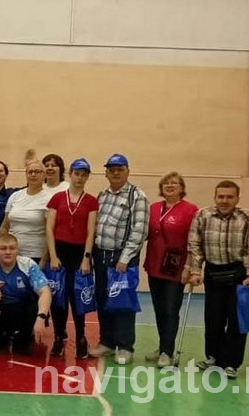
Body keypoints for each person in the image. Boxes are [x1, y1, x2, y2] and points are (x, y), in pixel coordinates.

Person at [187, 180, 249, 379]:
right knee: (213, 319)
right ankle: (213, 357)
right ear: (215, 197)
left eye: (229, 197)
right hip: (213, 272)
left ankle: (231, 363)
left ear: (237, 198)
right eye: (221, 196)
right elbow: (194, 245)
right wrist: (196, 271)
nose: (225, 200)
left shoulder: (248, 217)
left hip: (239, 273)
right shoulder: (202, 215)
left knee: (237, 320)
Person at [89, 154, 148, 364]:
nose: (115, 173)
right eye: (111, 169)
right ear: (106, 173)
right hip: (101, 255)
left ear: (127, 171)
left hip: (122, 259)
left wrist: (125, 258)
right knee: (103, 300)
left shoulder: (137, 196)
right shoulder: (102, 196)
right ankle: (107, 341)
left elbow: (140, 230)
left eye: (120, 169)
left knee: (122, 302)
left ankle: (125, 346)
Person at [142, 172, 198, 367]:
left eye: (174, 183)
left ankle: (168, 351)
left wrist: (189, 268)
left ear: (181, 188)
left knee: (170, 309)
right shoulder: (153, 208)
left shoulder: (191, 210)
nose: (170, 185)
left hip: (176, 268)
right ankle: (162, 347)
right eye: (166, 183)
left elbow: (193, 242)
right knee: (159, 309)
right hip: (155, 265)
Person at [45, 158, 99, 358]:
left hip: (79, 254)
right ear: (70, 174)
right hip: (59, 252)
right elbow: (49, 229)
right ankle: (59, 336)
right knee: (58, 298)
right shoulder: (57, 198)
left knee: (78, 299)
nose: (79, 178)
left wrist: (86, 258)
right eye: (77, 174)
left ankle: (81, 338)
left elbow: (91, 231)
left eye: (84, 175)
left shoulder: (91, 201)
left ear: (87, 177)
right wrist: (53, 256)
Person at [0, 160, 50, 262]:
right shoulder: (15, 196)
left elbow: (50, 232)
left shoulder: (49, 199)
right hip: (11, 255)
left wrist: (44, 260)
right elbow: (5, 226)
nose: (33, 175)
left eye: (37, 171)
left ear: (44, 175)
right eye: (30, 172)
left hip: (36, 255)